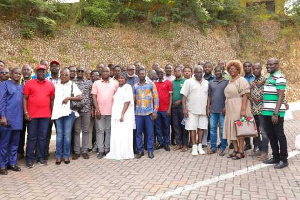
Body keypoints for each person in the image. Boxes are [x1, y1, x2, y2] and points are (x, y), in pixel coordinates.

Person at [24, 64, 55, 168]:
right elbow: (25, 99)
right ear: (36, 72)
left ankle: (40, 158)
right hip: (32, 116)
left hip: (45, 116)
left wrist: (52, 114)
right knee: (31, 137)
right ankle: (29, 159)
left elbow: (51, 100)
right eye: (39, 71)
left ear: (46, 72)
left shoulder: (50, 85)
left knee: (42, 137)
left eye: (43, 71)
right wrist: (26, 112)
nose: (41, 73)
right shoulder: (29, 83)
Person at [223, 60, 252, 160]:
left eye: (234, 69)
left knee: (239, 129)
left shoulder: (242, 80)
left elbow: (245, 95)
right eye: (230, 69)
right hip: (230, 108)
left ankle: (241, 151)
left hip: (238, 106)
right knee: (231, 129)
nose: (231, 71)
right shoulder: (230, 81)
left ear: (238, 70)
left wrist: (243, 110)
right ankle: (235, 150)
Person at [262, 58, 288, 169]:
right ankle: (275, 157)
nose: (268, 66)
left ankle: (283, 159)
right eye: (267, 64)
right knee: (271, 135)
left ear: (277, 65)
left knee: (279, 135)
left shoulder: (280, 78)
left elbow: (280, 96)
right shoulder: (270, 77)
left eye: (271, 64)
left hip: (275, 113)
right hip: (267, 112)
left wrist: (276, 113)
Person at [51, 68, 81, 165]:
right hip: (58, 113)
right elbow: (52, 99)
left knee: (67, 135)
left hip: (69, 113)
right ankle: (58, 156)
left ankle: (66, 156)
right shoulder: (56, 86)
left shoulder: (73, 84)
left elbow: (80, 97)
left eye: (66, 75)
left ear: (69, 76)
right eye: (62, 74)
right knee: (59, 135)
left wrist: (69, 98)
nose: (64, 76)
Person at [105, 73, 135, 160]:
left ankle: (124, 153)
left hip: (124, 115)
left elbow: (127, 101)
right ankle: (117, 151)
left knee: (124, 134)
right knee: (117, 134)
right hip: (116, 114)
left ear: (126, 79)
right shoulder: (119, 88)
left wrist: (122, 114)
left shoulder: (127, 87)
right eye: (119, 78)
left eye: (122, 78)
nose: (120, 80)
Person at [181, 65, 209, 156]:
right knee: (192, 128)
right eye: (197, 72)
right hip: (191, 110)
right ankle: (194, 147)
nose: (198, 74)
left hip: (203, 111)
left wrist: (208, 108)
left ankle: (200, 146)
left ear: (202, 73)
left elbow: (209, 97)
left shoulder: (206, 83)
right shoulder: (188, 82)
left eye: (200, 72)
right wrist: (184, 108)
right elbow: (184, 96)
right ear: (194, 73)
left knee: (201, 128)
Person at [0, 68, 23, 175]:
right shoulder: (5, 84)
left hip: (18, 119)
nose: (17, 75)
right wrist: (3, 116)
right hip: (7, 119)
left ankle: (12, 163)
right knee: (4, 143)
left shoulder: (21, 87)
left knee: (14, 144)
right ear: (11, 74)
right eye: (15, 73)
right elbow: (2, 101)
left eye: (19, 73)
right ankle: (2, 165)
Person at [92, 67, 118, 159]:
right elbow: (94, 97)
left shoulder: (115, 83)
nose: (106, 73)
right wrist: (97, 109)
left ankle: (107, 149)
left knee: (109, 131)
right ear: (101, 73)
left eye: (107, 71)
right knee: (100, 131)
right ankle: (100, 150)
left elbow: (117, 98)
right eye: (104, 71)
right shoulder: (96, 83)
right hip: (100, 112)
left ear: (110, 72)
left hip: (112, 112)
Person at [133, 68, 159, 159]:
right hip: (139, 113)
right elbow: (133, 101)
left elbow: (156, 98)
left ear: (145, 74)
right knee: (138, 133)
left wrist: (155, 111)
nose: (141, 75)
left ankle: (150, 151)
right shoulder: (135, 86)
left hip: (149, 113)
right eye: (140, 74)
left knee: (150, 133)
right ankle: (140, 151)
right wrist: (134, 114)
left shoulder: (151, 84)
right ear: (138, 75)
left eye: (143, 73)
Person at [206, 65, 229, 156]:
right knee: (212, 129)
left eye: (220, 71)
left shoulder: (227, 82)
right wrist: (208, 108)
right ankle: (213, 147)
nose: (218, 72)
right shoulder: (211, 82)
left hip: (223, 110)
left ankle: (223, 147)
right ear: (214, 72)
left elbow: (228, 96)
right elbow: (209, 97)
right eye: (216, 71)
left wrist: (226, 107)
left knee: (223, 129)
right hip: (213, 110)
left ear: (222, 71)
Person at [72, 66, 93, 160]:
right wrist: (75, 105)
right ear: (76, 72)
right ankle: (77, 151)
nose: (80, 72)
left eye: (82, 71)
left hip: (86, 110)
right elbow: (70, 95)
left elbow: (91, 96)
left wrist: (92, 108)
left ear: (84, 72)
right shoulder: (72, 82)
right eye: (78, 71)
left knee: (86, 131)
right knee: (76, 131)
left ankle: (84, 150)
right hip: (76, 110)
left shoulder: (88, 82)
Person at [249, 63, 269, 161]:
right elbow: (250, 95)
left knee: (264, 132)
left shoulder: (265, 81)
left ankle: (265, 152)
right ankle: (259, 149)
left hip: (263, 111)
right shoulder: (252, 82)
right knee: (255, 131)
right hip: (254, 111)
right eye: (254, 69)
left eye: (257, 68)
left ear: (261, 69)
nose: (255, 70)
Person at [45, 60, 61, 160]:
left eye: (56, 66)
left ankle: (59, 151)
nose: (54, 67)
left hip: (59, 110)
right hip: (47, 110)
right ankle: (45, 151)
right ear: (50, 68)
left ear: (59, 68)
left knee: (60, 132)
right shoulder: (46, 80)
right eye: (52, 66)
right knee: (47, 132)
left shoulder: (62, 79)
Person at [154, 68, 172, 151]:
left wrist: (169, 109)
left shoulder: (168, 83)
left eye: (161, 72)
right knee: (158, 127)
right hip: (157, 110)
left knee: (166, 127)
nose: (160, 74)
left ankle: (166, 143)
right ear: (156, 74)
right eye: (158, 73)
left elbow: (171, 96)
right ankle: (160, 142)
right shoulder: (154, 84)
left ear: (163, 73)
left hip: (165, 110)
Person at [18, 64, 33, 160]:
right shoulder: (17, 82)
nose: (26, 71)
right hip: (19, 112)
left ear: (31, 72)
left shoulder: (34, 82)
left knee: (31, 134)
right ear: (22, 72)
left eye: (28, 70)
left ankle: (30, 153)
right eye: (24, 70)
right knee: (20, 133)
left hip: (31, 112)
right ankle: (20, 152)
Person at [172, 66, 188, 152]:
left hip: (183, 109)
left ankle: (185, 144)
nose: (177, 72)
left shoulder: (185, 81)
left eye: (178, 71)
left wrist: (180, 101)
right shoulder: (173, 82)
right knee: (176, 126)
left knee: (184, 126)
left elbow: (186, 94)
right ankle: (178, 143)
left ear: (181, 72)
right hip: (174, 109)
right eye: (175, 71)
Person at [202, 62, 216, 147]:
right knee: (203, 123)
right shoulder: (200, 78)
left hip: (212, 104)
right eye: (205, 67)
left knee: (212, 124)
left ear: (212, 68)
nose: (207, 68)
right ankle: (203, 140)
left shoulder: (214, 78)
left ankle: (211, 140)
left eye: (209, 67)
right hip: (202, 103)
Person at [243, 61, 255, 151]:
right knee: (245, 123)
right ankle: (247, 143)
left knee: (255, 124)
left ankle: (256, 145)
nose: (247, 68)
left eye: (249, 66)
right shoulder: (241, 79)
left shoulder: (255, 78)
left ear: (251, 67)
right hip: (244, 104)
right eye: (245, 66)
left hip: (255, 104)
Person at [89, 70, 100, 152]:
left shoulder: (100, 84)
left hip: (100, 110)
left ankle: (98, 145)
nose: (95, 77)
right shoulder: (88, 84)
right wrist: (91, 109)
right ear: (91, 76)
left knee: (98, 129)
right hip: (90, 110)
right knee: (89, 129)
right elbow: (89, 98)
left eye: (97, 75)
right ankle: (89, 146)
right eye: (93, 75)